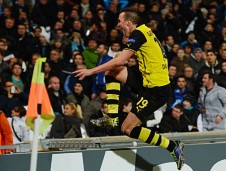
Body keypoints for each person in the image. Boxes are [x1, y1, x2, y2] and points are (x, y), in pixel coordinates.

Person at [73, 8, 184, 170]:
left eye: (119, 21)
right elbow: (122, 60)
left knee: (127, 128)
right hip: (146, 79)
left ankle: (172, 146)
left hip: (156, 91)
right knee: (112, 71)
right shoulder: (143, 31)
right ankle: (112, 117)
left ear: (128, 22)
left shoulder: (138, 34)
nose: (117, 25)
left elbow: (120, 61)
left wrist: (90, 71)